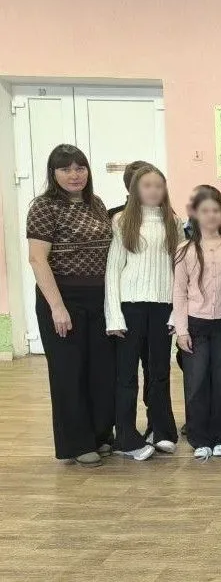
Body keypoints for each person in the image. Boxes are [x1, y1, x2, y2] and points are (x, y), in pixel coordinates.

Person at [26, 144, 115, 467]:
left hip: (99, 299)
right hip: (63, 298)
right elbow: (37, 259)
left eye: (80, 168)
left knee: (101, 370)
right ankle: (77, 443)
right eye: (66, 169)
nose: (74, 175)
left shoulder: (96, 204)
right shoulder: (43, 207)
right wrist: (57, 307)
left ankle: (100, 434)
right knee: (68, 373)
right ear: (53, 174)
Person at [105, 164, 183, 460]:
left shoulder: (173, 221)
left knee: (159, 372)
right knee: (127, 375)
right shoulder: (122, 220)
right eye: (147, 185)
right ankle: (126, 437)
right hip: (130, 307)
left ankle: (161, 430)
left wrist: (177, 312)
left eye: (158, 185)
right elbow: (113, 270)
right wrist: (114, 315)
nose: (153, 191)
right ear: (135, 189)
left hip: (162, 307)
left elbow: (179, 271)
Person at [173, 187, 221, 460]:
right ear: (195, 214)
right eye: (205, 211)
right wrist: (181, 330)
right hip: (195, 324)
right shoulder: (184, 250)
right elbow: (179, 292)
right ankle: (199, 438)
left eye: (216, 210)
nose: (211, 215)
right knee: (196, 383)